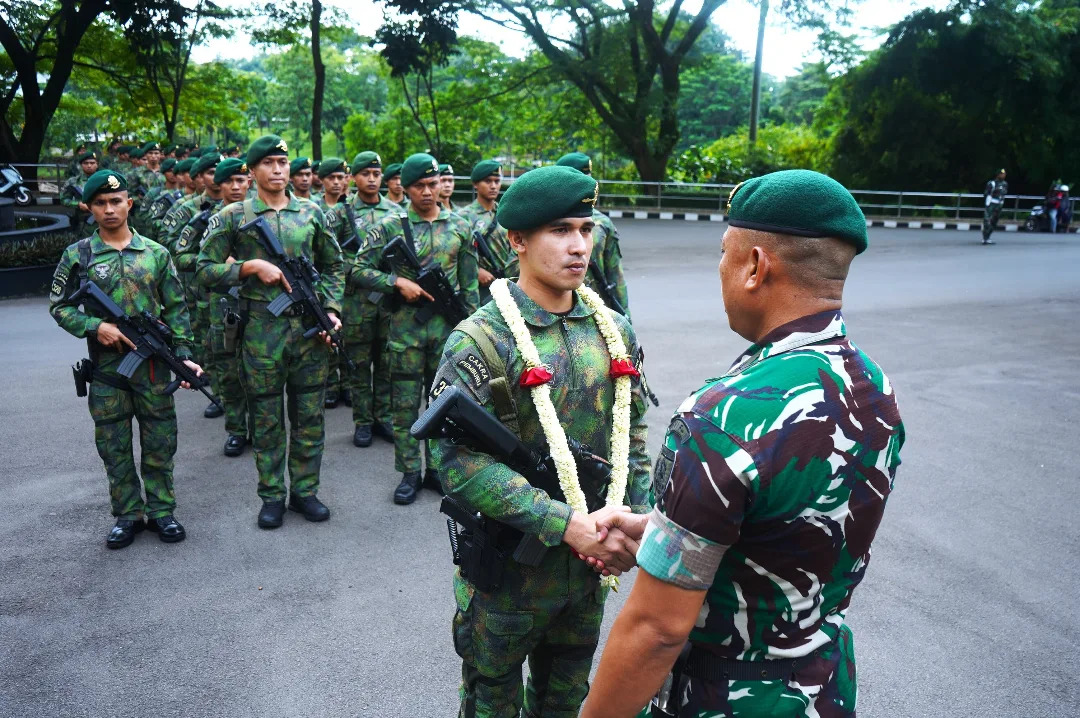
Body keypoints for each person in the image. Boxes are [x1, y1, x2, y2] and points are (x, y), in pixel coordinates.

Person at [580, 169, 906, 718]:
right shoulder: (873, 387)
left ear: (755, 266)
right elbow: (785, 537)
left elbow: (657, 629)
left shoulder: (722, 417)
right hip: (822, 690)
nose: (720, 270)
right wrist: (661, 534)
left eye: (723, 254)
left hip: (726, 698)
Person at [429, 164, 652, 717]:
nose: (579, 246)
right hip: (509, 574)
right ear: (517, 241)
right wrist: (566, 524)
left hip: (588, 571)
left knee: (565, 702)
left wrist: (633, 523)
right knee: (491, 702)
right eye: (560, 230)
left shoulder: (613, 330)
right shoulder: (482, 338)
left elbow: (633, 435)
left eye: (586, 228)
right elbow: (455, 461)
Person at [47, 170, 203, 549]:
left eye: (116, 201)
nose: (109, 209)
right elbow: (59, 306)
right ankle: (128, 514)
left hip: (153, 368)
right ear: (89, 208)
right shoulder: (78, 255)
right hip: (107, 372)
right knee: (114, 447)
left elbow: (177, 309)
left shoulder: (156, 253)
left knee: (160, 441)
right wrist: (95, 326)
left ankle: (162, 511)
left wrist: (184, 357)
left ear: (129, 204)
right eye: (100, 203)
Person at [196, 135, 345, 529]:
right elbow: (203, 269)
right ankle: (272, 496)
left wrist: (331, 310)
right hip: (261, 332)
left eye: (283, 162)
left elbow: (334, 266)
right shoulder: (233, 216)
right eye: (268, 163)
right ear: (252, 170)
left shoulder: (311, 212)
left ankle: (305, 492)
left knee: (309, 417)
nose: (278, 170)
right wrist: (248, 268)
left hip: (309, 331)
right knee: (266, 419)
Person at [351, 152, 478, 504]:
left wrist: (472, 330)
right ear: (405, 188)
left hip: (448, 334)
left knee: (444, 405)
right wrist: (396, 283)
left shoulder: (461, 226)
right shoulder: (390, 226)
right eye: (419, 185)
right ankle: (409, 472)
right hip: (405, 332)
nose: (427, 191)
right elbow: (358, 270)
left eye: (432, 184)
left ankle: (437, 470)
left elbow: (469, 285)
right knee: (405, 405)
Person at [175, 157, 252, 457]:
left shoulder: (261, 213)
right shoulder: (204, 218)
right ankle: (237, 430)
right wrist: (220, 264)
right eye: (229, 181)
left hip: (260, 304)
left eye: (241, 180)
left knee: (260, 369)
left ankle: (261, 429)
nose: (236, 186)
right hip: (222, 304)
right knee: (229, 370)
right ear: (218, 184)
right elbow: (181, 257)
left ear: (249, 182)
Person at [326, 151, 397, 447]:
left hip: (388, 301)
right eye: (365, 174)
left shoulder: (396, 211)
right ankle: (363, 421)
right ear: (353, 178)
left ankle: (383, 417)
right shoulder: (340, 214)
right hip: (355, 302)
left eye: (376, 174)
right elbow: (326, 257)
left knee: (386, 364)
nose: (371, 179)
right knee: (358, 365)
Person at [555, 152, 630, 317]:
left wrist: (625, 319)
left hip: (595, 311)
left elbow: (615, 275)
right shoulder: (543, 221)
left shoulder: (603, 223)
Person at [314, 156, 351, 408]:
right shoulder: (314, 209)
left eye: (341, 177)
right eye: (332, 178)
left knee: (349, 336)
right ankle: (330, 384)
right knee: (326, 333)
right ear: (322, 180)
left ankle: (347, 384)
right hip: (324, 282)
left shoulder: (350, 208)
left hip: (352, 284)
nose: (337, 182)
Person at [458, 160, 518, 304]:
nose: (493, 186)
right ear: (475, 184)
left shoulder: (506, 213)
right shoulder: (463, 217)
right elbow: (456, 254)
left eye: (497, 181)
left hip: (508, 282)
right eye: (488, 181)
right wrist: (476, 271)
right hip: (480, 287)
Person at [60, 151, 99, 232]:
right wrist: (78, 204)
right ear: (81, 165)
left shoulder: (105, 180)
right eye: (86, 163)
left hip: (103, 221)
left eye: (92, 163)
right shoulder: (73, 182)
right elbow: (63, 199)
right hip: (82, 223)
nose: (89, 165)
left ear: (97, 164)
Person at [981, 169, 1008, 244]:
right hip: (991, 203)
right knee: (987, 220)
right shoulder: (992, 183)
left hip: (999, 205)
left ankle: (988, 237)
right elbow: (986, 194)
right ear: (998, 174)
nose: (1003, 175)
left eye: (1004, 174)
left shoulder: (1005, 184)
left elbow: (1004, 194)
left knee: (994, 222)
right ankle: (985, 238)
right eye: (1002, 174)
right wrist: (988, 203)